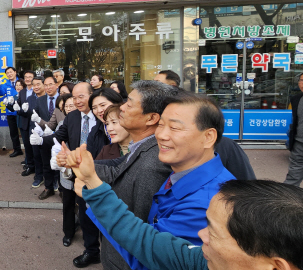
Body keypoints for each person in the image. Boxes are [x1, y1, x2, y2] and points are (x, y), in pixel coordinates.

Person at [65, 146, 303, 270]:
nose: (200, 235)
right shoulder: (201, 260)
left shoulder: (206, 196)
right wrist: (94, 186)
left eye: (214, 232)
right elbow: (143, 240)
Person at [94, 92, 235, 270]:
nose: (161, 135)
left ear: (208, 137)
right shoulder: (181, 171)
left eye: (174, 128)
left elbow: (152, 258)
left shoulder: (208, 204)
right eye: (161, 125)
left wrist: (94, 192)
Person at [60, 80, 175, 270]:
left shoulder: (154, 163)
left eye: (128, 104)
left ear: (151, 118)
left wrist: (92, 187)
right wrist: (79, 162)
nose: (121, 108)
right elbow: (117, 167)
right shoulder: (142, 148)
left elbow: (135, 226)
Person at [42, 82, 100, 265]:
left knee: (105, 213)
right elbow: (59, 136)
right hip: (78, 175)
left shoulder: (102, 116)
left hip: (102, 173)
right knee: (84, 214)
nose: (77, 101)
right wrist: (42, 140)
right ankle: (92, 250)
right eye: (74, 97)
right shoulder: (73, 116)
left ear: (92, 95)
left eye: (81, 96)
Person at [28, 76, 60, 198]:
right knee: (46, 162)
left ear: (56, 85)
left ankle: (58, 183)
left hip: (59, 135)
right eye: (46, 85)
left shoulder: (62, 99)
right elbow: (36, 116)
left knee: (59, 161)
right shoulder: (40, 100)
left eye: (50, 84)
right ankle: (48, 187)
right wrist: (37, 128)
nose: (48, 87)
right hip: (44, 136)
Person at [19, 76, 46, 186]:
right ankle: (39, 176)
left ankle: (51, 179)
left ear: (44, 85)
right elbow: (28, 114)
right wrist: (22, 110)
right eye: (34, 84)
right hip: (33, 130)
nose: (36, 87)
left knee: (48, 155)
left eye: (38, 84)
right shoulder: (30, 98)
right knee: (36, 155)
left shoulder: (49, 98)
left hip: (47, 130)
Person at [88, 88, 124, 158]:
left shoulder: (131, 127)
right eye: (94, 108)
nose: (99, 110)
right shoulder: (95, 131)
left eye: (103, 105)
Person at [0, 67, 22, 157]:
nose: (9, 74)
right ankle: (17, 149)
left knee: (24, 131)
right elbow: (0, 93)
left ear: (15, 72)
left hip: (21, 111)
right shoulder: (5, 84)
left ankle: (30, 151)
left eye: (11, 72)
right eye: (7, 73)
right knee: (13, 132)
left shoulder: (21, 82)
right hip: (10, 112)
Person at [286, 71, 303, 186]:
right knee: (293, 175)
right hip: (299, 143)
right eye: (302, 81)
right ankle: (286, 200)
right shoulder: (296, 99)